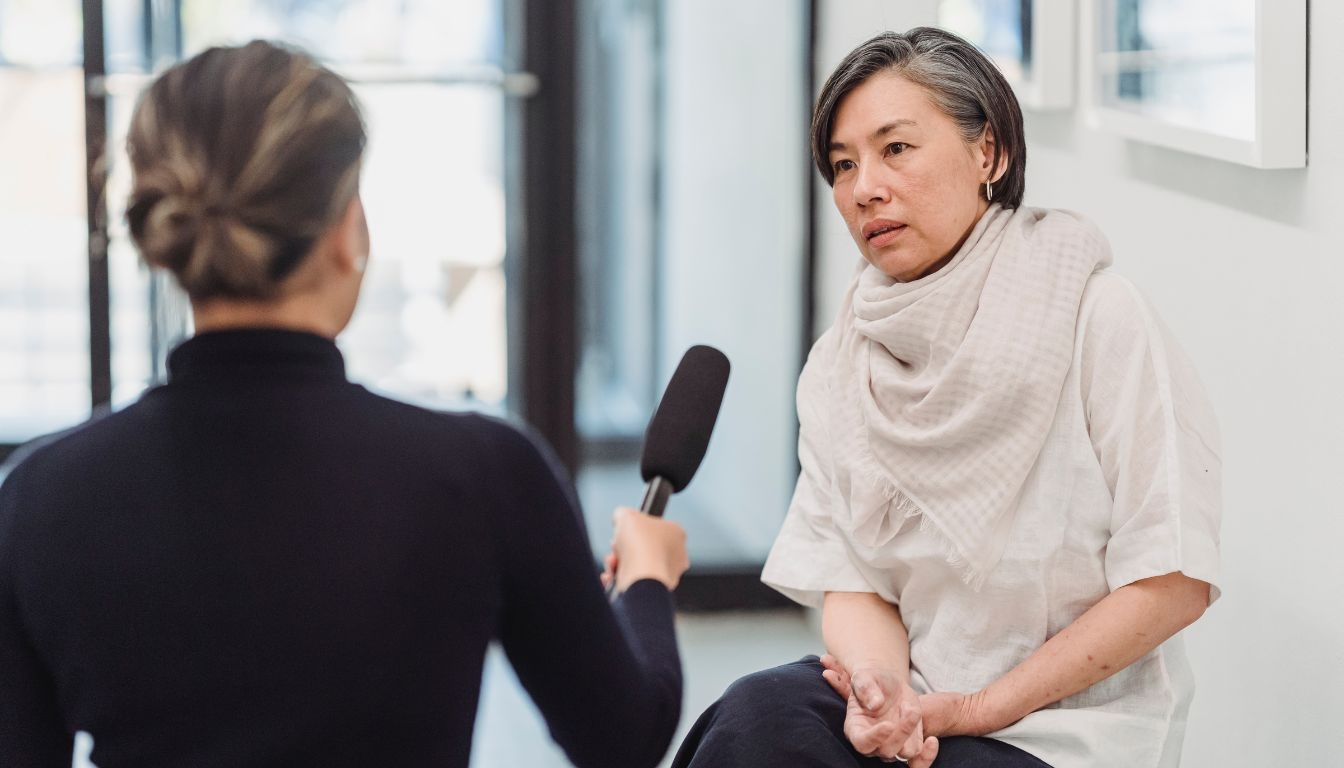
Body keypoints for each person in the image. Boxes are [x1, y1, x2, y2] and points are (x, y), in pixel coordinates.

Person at [0, 40, 688, 768]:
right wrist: (645, 579)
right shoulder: (485, 475)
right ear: (344, 232)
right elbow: (626, 739)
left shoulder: (39, 498)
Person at [672, 28, 1221, 768]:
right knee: (751, 720)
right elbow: (852, 579)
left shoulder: (1099, 318)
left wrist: (974, 710)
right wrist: (881, 691)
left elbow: (1174, 581)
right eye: (843, 163)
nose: (864, 187)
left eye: (896, 148)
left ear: (988, 152)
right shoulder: (842, 358)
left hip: (1066, 728)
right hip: (918, 693)